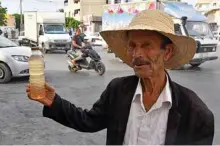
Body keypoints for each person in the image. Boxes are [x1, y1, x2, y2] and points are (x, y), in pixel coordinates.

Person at [26, 10, 214, 145]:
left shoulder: (196, 114)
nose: (137, 54)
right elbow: (88, 121)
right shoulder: (118, 90)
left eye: (147, 45)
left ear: (167, 52)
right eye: (132, 46)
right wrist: (54, 102)